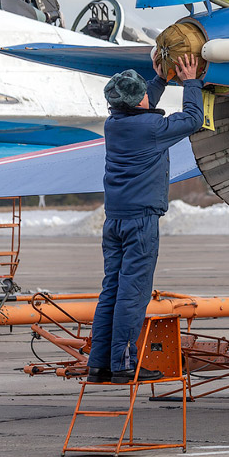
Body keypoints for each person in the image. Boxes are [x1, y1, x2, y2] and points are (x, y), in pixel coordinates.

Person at [86, 53, 203, 384]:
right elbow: (193, 118)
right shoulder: (150, 128)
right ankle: (124, 364)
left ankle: (100, 365)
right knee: (133, 292)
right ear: (138, 101)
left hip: (116, 220)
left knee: (112, 288)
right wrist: (191, 81)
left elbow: (141, 101)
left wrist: (162, 80)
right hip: (141, 221)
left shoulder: (116, 124)